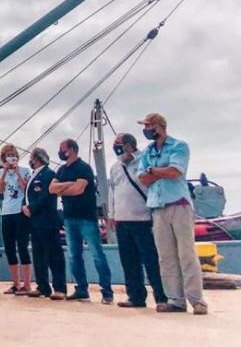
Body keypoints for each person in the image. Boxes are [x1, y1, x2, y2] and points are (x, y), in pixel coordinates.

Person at [137, 113, 207, 315]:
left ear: (159, 126)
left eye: (149, 125)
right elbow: (143, 178)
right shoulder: (148, 151)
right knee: (165, 256)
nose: (146, 129)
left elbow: (176, 172)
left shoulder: (179, 146)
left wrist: (152, 170)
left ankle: (197, 299)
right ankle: (175, 299)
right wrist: (158, 170)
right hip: (157, 206)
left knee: (186, 253)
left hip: (178, 203)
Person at [50, 138, 113, 304]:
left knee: (97, 254)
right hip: (69, 218)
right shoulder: (62, 169)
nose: (60, 152)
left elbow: (79, 190)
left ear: (70, 149)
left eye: (61, 148)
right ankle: (81, 289)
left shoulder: (84, 168)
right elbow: (51, 189)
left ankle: (107, 292)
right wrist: (69, 185)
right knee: (74, 256)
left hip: (86, 217)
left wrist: (62, 190)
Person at [108, 132, 167, 308]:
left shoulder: (144, 160)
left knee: (151, 261)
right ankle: (135, 296)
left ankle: (161, 297)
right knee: (129, 261)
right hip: (122, 219)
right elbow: (113, 191)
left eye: (118, 144)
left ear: (128, 145)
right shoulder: (115, 167)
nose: (116, 147)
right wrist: (112, 214)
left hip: (143, 218)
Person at [24, 147, 66, 300]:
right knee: (39, 255)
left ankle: (59, 288)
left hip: (47, 220)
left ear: (37, 158)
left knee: (54, 255)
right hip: (35, 221)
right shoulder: (34, 175)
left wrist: (31, 208)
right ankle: (42, 286)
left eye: (31, 157)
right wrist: (26, 206)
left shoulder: (48, 174)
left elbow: (46, 195)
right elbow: (29, 194)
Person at [0, 144, 32, 295]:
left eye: (14, 154)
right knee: (9, 247)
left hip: (20, 211)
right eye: (9, 155)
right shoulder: (0, 172)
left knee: (22, 246)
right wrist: (4, 172)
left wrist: (17, 173)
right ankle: (16, 283)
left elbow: (26, 189)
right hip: (6, 212)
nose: (12, 157)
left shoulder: (25, 171)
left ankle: (27, 284)